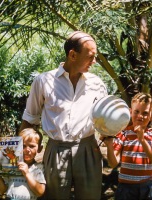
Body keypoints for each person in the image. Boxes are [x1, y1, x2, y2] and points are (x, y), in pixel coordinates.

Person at [19, 31, 108, 199]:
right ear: (72, 55)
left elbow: (106, 121)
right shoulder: (43, 81)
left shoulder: (97, 84)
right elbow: (29, 119)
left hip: (88, 149)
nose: (94, 61)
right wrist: (16, 157)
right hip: (56, 150)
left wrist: (104, 141)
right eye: (90, 56)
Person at [102, 92, 152, 200]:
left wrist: (142, 140)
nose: (140, 116)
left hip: (147, 188)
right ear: (130, 112)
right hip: (125, 188)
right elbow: (113, 163)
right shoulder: (123, 133)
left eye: (145, 113)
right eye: (136, 111)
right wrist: (109, 145)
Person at [0, 128, 46, 200]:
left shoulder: (39, 168)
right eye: (23, 146)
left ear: (40, 149)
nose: (27, 150)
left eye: (32, 146)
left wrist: (27, 173)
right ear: (16, 147)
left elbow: (40, 192)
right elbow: (1, 191)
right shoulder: (11, 166)